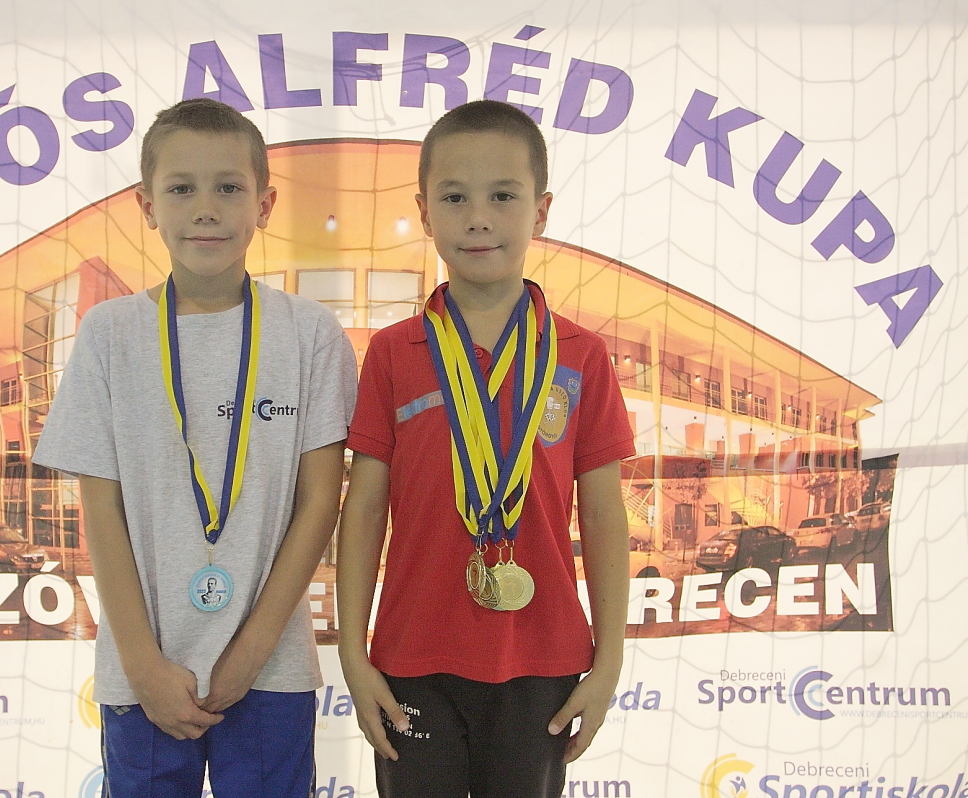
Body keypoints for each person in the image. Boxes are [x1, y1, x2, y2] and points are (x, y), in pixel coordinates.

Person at [33, 98, 358, 798]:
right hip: (143, 673)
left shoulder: (309, 335)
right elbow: (102, 512)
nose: (205, 208)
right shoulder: (110, 334)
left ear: (264, 204)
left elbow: (319, 503)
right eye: (182, 188)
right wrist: (143, 664)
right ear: (148, 205)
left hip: (270, 669)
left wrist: (251, 653)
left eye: (228, 187)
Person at [336, 99, 635, 798]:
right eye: (455, 197)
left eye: (503, 196)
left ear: (540, 211)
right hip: (412, 656)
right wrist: (353, 651)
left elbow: (604, 516)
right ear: (424, 212)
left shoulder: (580, 355)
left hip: (543, 659)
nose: (478, 218)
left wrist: (610, 661)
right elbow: (364, 509)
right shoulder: (393, 354)